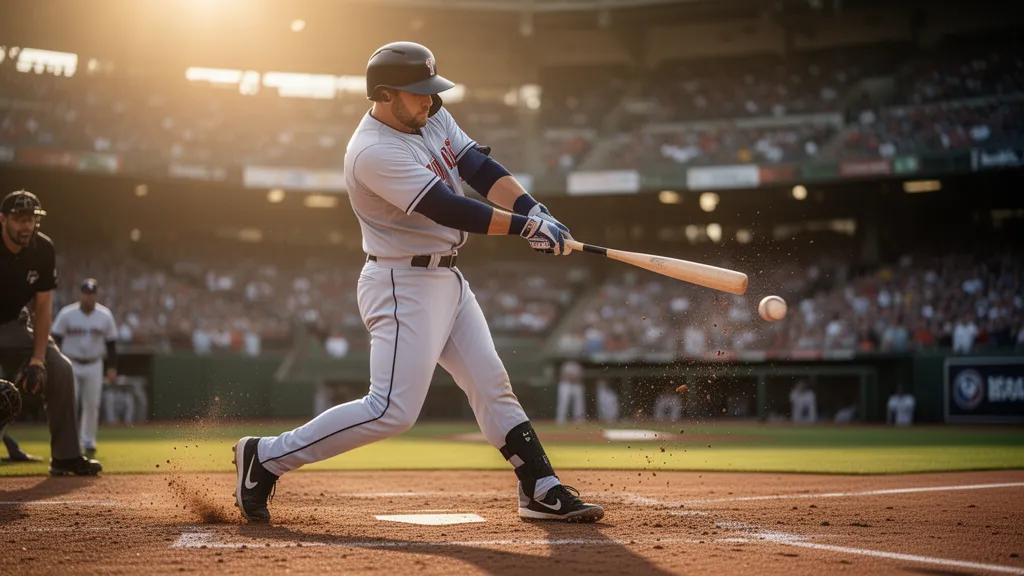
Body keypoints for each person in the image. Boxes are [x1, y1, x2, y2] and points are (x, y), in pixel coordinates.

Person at [233, 42, 603, 523]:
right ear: (385, 95)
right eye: (417, 93)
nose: (429, 100)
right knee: (391, 410)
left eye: (431, 90)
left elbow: (477, 168)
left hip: (447, 278)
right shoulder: (371, 150)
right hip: (400, 280)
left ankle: (540, 486)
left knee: (492, 384)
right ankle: (265, 458)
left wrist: (532, 207)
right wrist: (524, 228)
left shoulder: (429, 117)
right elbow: (448, 207)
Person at [0, 190, 101, 475]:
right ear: (3, 219)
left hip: (15, 325)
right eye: (19, 219)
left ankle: (66, 457)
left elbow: (43, 307)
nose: (27, 226)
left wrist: (37, 360)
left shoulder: (42, 248)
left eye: (31, 219)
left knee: (60, 369)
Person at [52, 278, 118, 458]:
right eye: (86, 293)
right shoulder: (67, 313)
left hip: (95, 363)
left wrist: (112, 367)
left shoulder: (105, 315)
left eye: (92, 294)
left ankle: (88, 441)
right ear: (80, 294)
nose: (89, 297)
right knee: (69, 403)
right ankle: (68, 441)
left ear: (96, 295)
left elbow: (111, 344)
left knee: (92, 403)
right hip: (70, 362)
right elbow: (54, 339)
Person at [554, 360, 585, 425]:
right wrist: (570, 377)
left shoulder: (577, 366)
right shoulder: (566, 365)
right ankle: (560, 420)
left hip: (576, 384)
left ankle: (579, 419)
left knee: (579, 404)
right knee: (563, 402)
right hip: (566, 384)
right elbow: (563, 375)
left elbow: (580, 376)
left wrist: (573, 377)